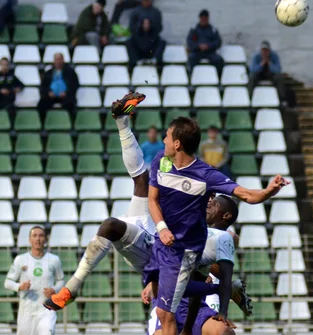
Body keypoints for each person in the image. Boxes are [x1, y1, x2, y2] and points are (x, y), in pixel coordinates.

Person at [44, 93, 251, 318]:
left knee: (111, 226)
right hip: (152, 226)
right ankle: (122, 122)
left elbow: (227, 241)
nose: (210, 202)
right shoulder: (195, 200)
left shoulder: (215, 232)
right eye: (211, 199)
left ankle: (72, 288)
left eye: (215, 203)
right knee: (141, 180)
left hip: (154, 252)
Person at [141, 113, 288, 335]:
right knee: (163, 313)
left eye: (168, 137)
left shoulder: (205, 174)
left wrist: (270, 191)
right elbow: (153, 201)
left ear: (178, 143)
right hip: (162, 243)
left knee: (166, 315)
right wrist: (162, 227)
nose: (164, 141)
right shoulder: (162, 160)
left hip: (188, 252)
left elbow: (245, 194)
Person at [106, 194, 243, 335]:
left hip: (193, 304)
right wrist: (153, 282)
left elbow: (213, 276)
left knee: (225, 334)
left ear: (225, 215)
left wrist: (198, 322)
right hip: (171, 301)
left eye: (215, 203)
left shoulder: (220, 238)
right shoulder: (182, 226)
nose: (209, 203)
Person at [4, 227, 64, 335]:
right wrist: (18, 286)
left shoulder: (53, 260)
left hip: (46, 310)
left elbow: (61, 280)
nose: (38, 239)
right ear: (29, 240)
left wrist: (55, 289)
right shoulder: (20, 260)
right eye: (34, 236)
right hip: (27, 311)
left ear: (45, 239)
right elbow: (7, 282)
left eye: (40, 236)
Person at [37, 53, 79, 119]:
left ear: (63, 60)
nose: (58, 62)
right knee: (42, 104)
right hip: (51, 96)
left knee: (70, 104)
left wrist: (66, 93)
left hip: (65, 96)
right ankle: (43, 124)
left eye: (59, 60)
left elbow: (75, 85)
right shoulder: (48, 73)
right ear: (53, 61)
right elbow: (43, 87)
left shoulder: (70, 72)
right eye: (56, 60)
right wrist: (48, 93)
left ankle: (70, 124)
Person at [186, 9, 224, 75]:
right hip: (197, 52)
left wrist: (208, 46)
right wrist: (198, 46)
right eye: (202, 18)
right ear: (199, 18)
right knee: (191, 59)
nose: (204, 20)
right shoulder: (194, 29)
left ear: (208, 19)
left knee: (218, 60)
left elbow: (218, 42)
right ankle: (192, 78)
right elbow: (190, 42)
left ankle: (218, 78)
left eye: (205, 19)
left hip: (210, 52)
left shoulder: (213, 29)